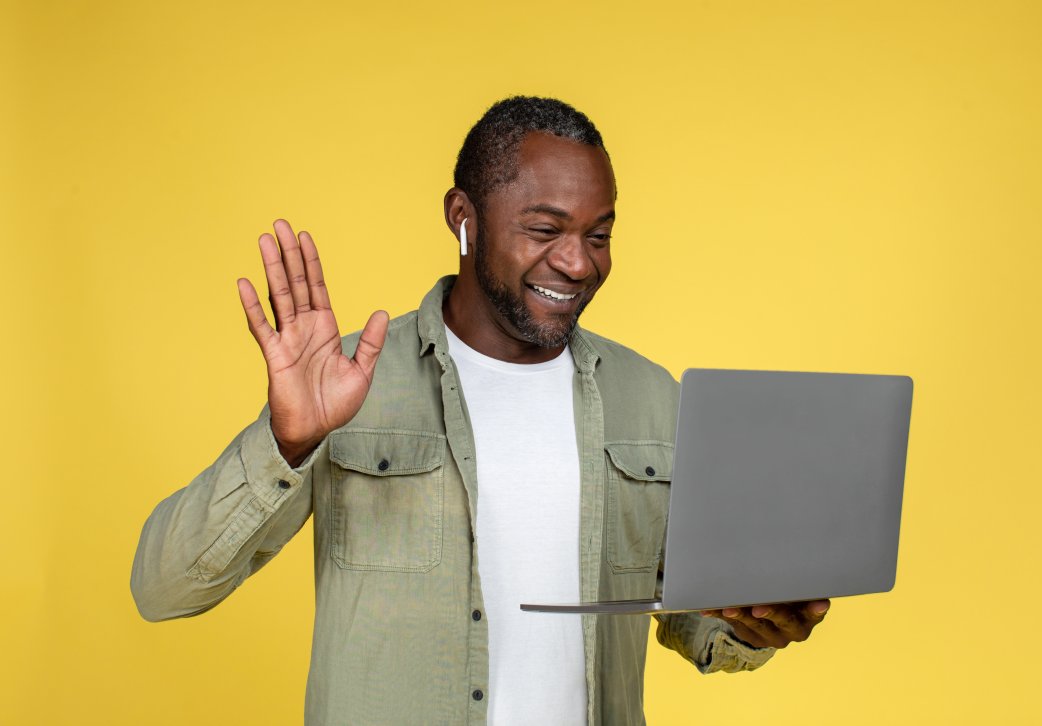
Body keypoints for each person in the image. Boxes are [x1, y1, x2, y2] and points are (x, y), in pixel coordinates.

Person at [131, 96, 829, 726]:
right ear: (463, 219)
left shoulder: (650, 396)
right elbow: (164, 589)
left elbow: (693, 622)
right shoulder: (348, 385)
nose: (578, 264)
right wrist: (285, 443)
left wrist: (756, 623)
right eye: (545, 228)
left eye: (598, 235)